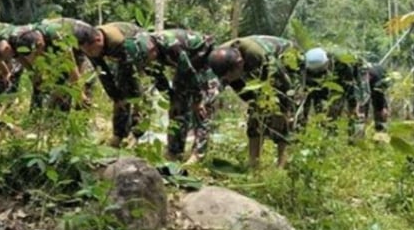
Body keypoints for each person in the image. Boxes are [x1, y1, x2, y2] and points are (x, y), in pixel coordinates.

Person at [122, 29, 220, 165]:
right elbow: (158, 78)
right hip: (184, 66)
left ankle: (198, 153)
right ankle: (174, 151)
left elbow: (189, 73)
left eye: (146, 59)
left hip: (203, 57)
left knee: (203, 107)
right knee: (177, 108)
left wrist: (198, 101)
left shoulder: (171, 46)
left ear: (151, 50)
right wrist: (171, 98)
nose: (146, 63)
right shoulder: (144, 53)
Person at [207, 35, 301, 168]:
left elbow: (283, 85)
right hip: (253, 65)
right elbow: (239, 88)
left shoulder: (256, 56)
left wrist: (282, 111)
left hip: (289, 62)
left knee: (282, 119)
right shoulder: (218, 58)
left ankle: (282, 164)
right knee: (255, 114)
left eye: (230, 76)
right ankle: (253, 163)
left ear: (240, 65)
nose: (228, 80)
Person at [0, 18, 95, 112]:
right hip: (55, 40)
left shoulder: (55, 35)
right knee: (54, 83)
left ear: (40, 43)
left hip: (82, 38)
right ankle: (52, 119)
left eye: (38, 52)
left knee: (81, 82)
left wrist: (79, 94)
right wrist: (37, 76)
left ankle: (82, 115)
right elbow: (26, 61)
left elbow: (71, 65)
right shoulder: (19, 41)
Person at [77, 21, 145, 147]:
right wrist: (114, 96)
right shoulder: (90, 45)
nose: (89, 54)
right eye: (86, 51)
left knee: (135, 94)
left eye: (91, 50)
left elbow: (131, 77)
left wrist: (131, 100)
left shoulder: (119, 42)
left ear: (98, 40)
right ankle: (119, 135)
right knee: (119, 98)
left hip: (140, 48)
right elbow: (103, 74)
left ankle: (136, 135)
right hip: (119, 54)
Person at [302, 47, 371, 137]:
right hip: (331, 81)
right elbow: (310, 93)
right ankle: (329, 135)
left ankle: (356, 137)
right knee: (323, 110)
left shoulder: (343, 64)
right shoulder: (306, 66)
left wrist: (354, 106)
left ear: (327, 63)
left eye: (319, 70)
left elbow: (351, 88)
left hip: (356, 74)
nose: (317, 73)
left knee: (356, 109)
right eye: (314, 71)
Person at [363, 63, 390, 132]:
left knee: (379, 109)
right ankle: (361, 129)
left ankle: (380, 130)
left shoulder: (377, 80)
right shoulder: (361, 77)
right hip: (367, 86)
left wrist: (383, 107)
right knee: (363, 106)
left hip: (381, 81)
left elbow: (381, 96)